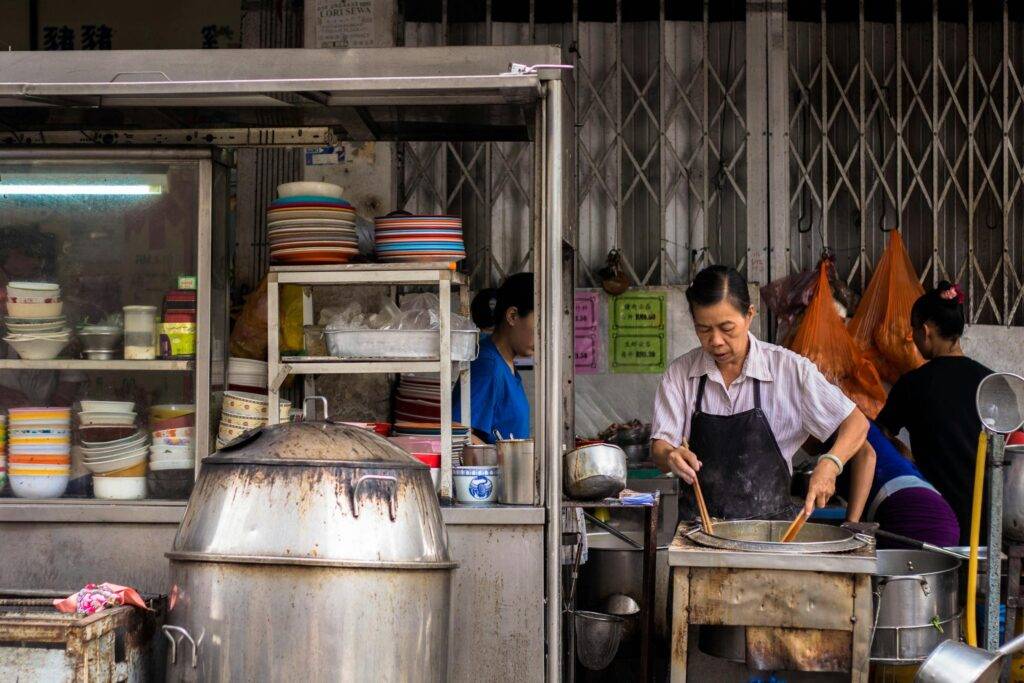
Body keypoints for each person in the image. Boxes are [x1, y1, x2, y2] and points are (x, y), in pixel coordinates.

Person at [651, 265, 869, 521]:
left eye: (726, 328)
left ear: (749, 315)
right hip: (699, 533)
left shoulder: (789, 370)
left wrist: (832, 462)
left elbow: (856, 423)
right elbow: (660, 446)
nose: (716, 340)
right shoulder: (680, 374)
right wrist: (670, 455)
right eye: (704, 329)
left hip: (769, 534)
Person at [876, 281, 993, 545]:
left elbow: (880, 435)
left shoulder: (913, 383)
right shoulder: (989, 381)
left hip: (935, 516)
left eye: (914, 330)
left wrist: (904, 454)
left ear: (926, 331)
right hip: (987, 517)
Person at [826, 422, 960, 547]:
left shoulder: (842, 417)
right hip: (943, 517)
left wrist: (850, 526)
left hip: (913, 514)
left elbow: (866, 455)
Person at [453, 273, 533, 444]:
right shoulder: (489, 366)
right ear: (512, 316)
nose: (544, 335)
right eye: (539, 323)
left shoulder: (506, 364)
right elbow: (457, 433)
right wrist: (504, 459)